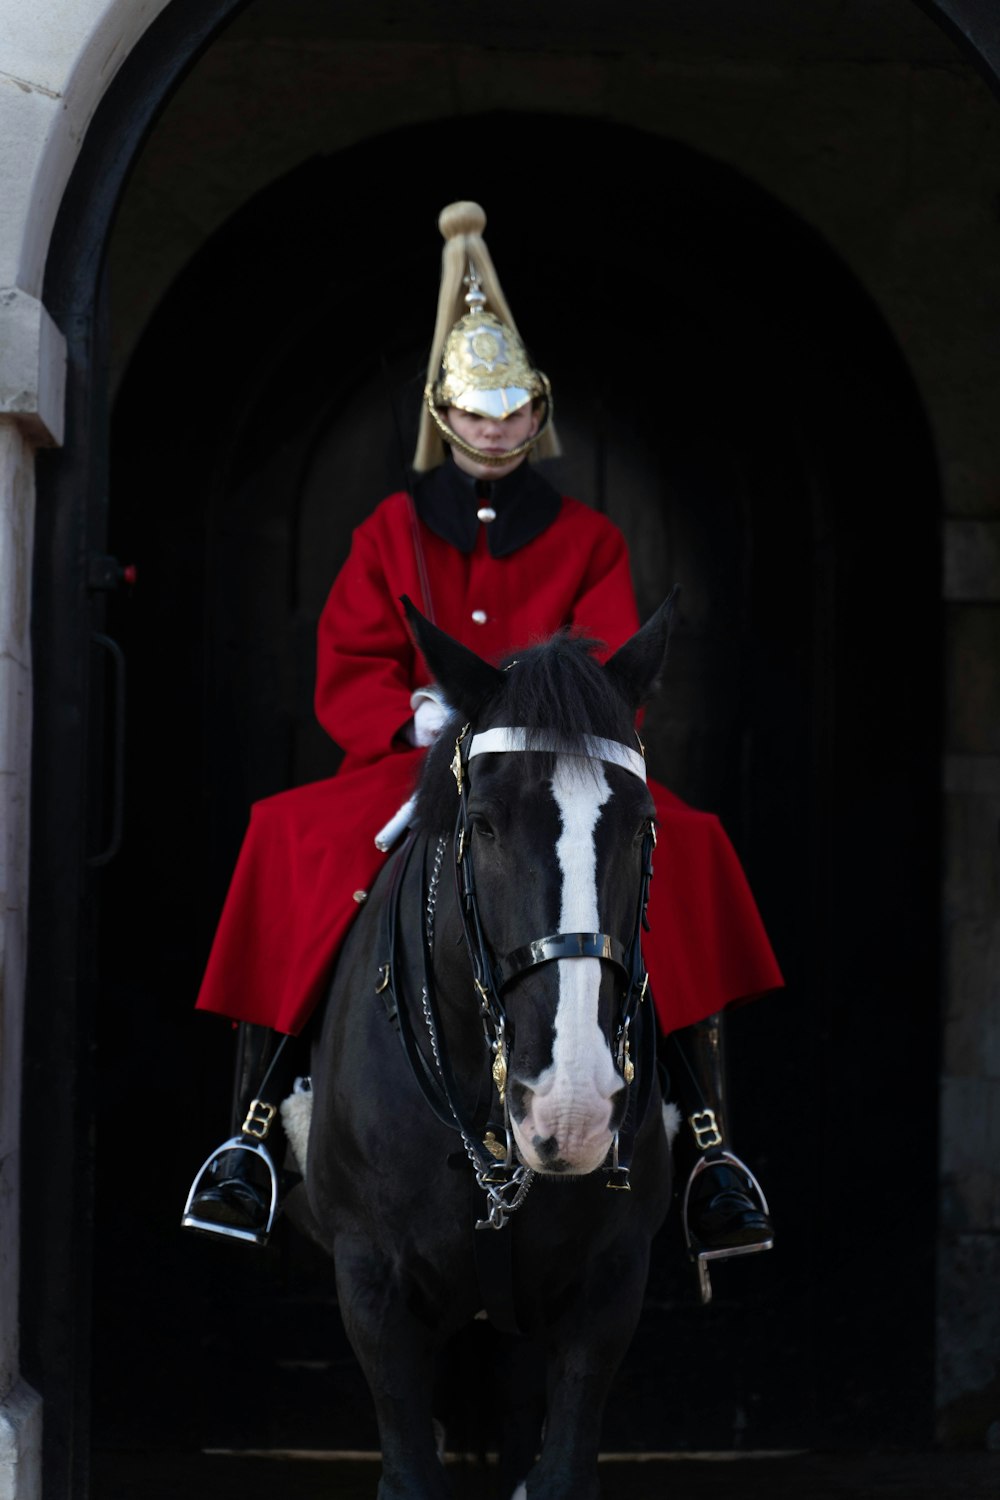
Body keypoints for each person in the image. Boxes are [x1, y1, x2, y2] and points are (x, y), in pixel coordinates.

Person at [182, 202, 783, 1296]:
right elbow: (347, 660)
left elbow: (604, 671)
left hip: (555, 770)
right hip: (409, 758)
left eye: (512, 411)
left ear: (537, 416)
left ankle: (705, 1144)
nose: (496, 428)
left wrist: (540, 722)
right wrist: (404, 718)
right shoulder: (388, 532)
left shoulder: (591, 537)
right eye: (475, 410)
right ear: (443, 416)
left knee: (685, 849)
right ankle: (256, 1131)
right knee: (285, 837)